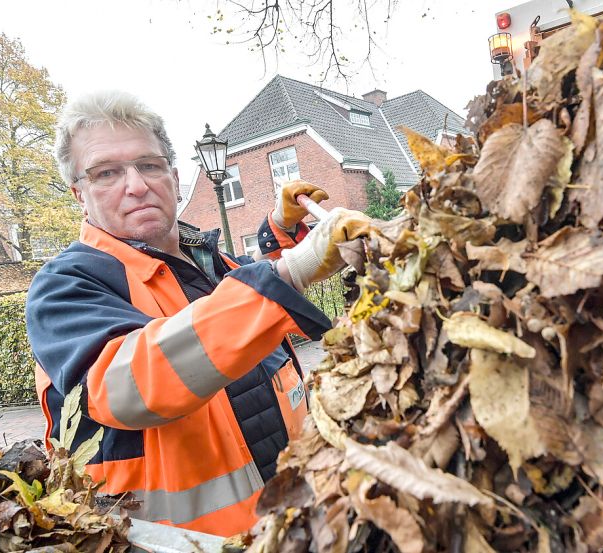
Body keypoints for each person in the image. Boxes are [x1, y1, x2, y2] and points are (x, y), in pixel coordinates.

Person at [25, 90, 369, 537]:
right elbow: (131, 385)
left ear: (173, 175)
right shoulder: (65, 287)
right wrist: (293, 270)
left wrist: (280, 231)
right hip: (192, 543)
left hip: (297, 523)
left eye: (149, 165)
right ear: (79, 194)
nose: (136, 185)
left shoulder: (208, 263)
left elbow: (241, 293)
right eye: (106, 173)